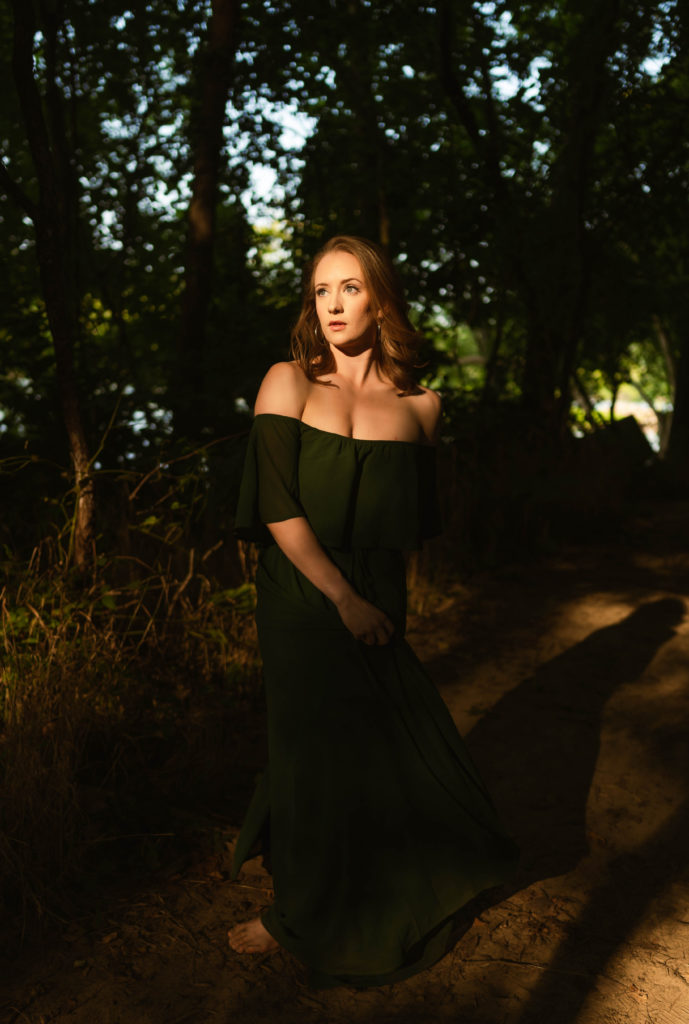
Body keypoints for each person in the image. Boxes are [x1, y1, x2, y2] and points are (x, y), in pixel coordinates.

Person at [227, 235, 518, 987]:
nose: (331, 305)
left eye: (349, 288)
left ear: (380, 299)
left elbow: (408, 528)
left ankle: (396, 883)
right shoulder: (286, 381)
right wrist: (343, 599)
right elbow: (276, 508)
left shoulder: (424, 408)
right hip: (301, 590)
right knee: (311, 756)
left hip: (377, 596)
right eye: (320, 290)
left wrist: (376, 603)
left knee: (379, 749)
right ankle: (292, 912)